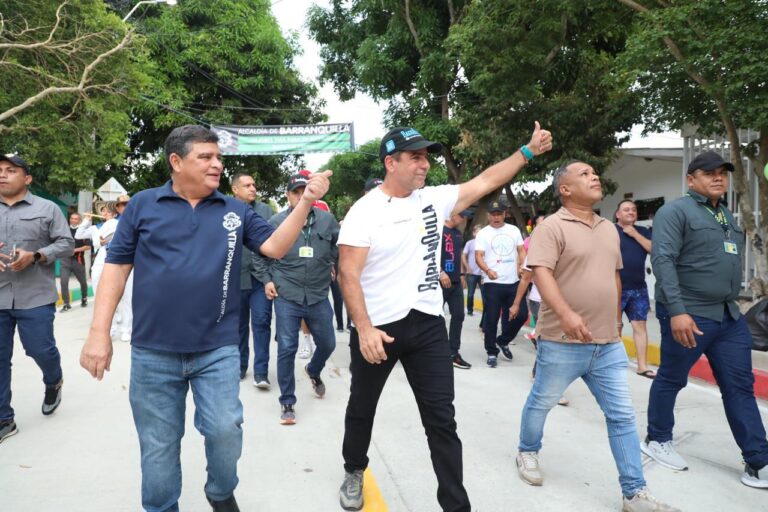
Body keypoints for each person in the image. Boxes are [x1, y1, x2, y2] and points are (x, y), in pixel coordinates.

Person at [78, 125, 331, 512]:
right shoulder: (144, 205)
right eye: (206, 157)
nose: (217, 165)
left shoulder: (234, 210)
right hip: (153, 351)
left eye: (219, 158)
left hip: (218, 348)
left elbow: (276, 247)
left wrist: (306, 202)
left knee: (225, 430)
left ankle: (220, 491)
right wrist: (99, 334)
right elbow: (116, 267)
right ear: (176, 162)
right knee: (158, 446)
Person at [337, 122, 553, 511]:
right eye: (415, 157)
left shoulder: (433, 198)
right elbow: (348, 273)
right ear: (391, 163)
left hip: (426, 325)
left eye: (426, 157)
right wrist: (364, 328)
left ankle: (456, 505)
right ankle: (354, 469)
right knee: (362, 406)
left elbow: (486, 180)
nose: (424, 164)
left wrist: (527, 152)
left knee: (442, 420)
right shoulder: (363, 211)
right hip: (378, 328)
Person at [515, 160, 678, 512]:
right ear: (565, 189)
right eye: (585, 174)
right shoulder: (552, 227)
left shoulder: (608, 228)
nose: (594, 177)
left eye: (594, 173)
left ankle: (634, 493)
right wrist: (567, 314)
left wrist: (615, 322)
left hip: (605, 343)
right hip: (561, 340)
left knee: (621, 416)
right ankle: (527, 451)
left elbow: (614, 276)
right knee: (542, 401)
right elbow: (540, 273)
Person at [645, 151, 768, 488]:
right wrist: (678, 310)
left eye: (723, 173)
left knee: (740, 386)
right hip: (691, 312)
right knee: (672, 378)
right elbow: (664, 260)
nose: (718, 178)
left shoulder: (724, 214)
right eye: (709, 173)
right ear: (691, 179)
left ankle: (759, 461)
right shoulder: (675, 211)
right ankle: (657, 439)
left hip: (729, 316)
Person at [0, 154, 74, 444]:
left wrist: (38, 256)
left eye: (10, 170)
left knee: (40, 350)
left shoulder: (48, 209)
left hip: (35, 296)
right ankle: (4, 419)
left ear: (27, 178)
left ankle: (53, 380)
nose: (3, 175)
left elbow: (66, 243)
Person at [262, 173, 339, 425]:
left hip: (318, 294)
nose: (301, 195)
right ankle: (287, 402)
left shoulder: (327, 220)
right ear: (288, 195)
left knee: (328, 343)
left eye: (305, 190)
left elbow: (339, 248)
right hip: (288, 293)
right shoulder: (276, 221)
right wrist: (267, 279)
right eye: (296, 192)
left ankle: (313, 370)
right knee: (287, 348)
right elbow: (258, 254)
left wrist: (334, 264)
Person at [230, 172, 274, 384]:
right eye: (247, 185)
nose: (253, 188)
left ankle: (261, 372)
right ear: (235, 189)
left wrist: (270, 278)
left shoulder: (266, 211)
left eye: (254, 185)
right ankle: (240, 366)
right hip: (235, 279)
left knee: (261, 323)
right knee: (238, 325)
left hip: (260, 280)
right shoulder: (226, 210)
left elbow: (274, 242)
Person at [475, 200, 527, 367]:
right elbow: (479, 256)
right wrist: (488, 271)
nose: (496, 217)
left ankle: (503, 340)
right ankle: (491, 351)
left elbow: (521, 251)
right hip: (493, 283)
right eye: (493, 214)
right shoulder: (483, 233)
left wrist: (522, 266)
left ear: (505, 214)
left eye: (499, 213)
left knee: (521, 315)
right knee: (491, 320)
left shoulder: (514, 230)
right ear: (488, 215)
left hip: (513, 282)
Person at [615, 199, 655, 378]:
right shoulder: (610, 231)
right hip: (615, 288)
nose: (630, 212)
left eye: (633, 210)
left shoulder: (643, 231)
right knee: (615, 328)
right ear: (618, 214)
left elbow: (654, 249)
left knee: (640, 325)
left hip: (638, 288)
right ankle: (612, 365)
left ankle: (642, 366)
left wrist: (634, 234)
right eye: (626, 209)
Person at [440, 211, 470, 369]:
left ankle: (453, 352)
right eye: (461, 215)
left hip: (456, 282)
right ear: (452, 215)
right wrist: (440, 272)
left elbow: (457, 255)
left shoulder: (458, 233)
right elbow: (427, 255)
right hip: (439, 282)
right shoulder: (438, 230)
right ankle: (433, 352)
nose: (463, 219)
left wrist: (462, 274)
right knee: (433, 320)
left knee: (458, 315)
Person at [59, 212, 92, 312]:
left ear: (80, 221)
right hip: (65, 260)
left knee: (82, 282)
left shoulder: (83, 231)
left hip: (78, 260)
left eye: (76, 219)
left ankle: (84, 297)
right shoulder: (64, 230)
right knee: (63, 282)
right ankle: (66, 303)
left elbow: (88, 246)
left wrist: (75, 250)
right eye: (72, 218)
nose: (73, 220)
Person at [461, 225, 483, 317]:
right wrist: (467, 267)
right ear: (474, 233)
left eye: (481, 232)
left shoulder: (485, 243)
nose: (479, 234)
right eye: (477, 232)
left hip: (483, 274)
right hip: (472, 273)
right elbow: (463, 256)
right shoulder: (470, 243)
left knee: (485, 295)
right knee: (470, 294)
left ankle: (485, 313)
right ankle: (470, 310)